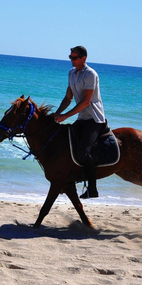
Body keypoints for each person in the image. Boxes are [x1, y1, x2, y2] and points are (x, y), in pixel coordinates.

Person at [53, 46, 108, 199]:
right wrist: (58, 112)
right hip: (81, 119)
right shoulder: (71, 73)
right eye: (70, 57)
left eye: (74, 57)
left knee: (84, 152)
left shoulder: (90, 74)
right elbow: (68, 97)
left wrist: (65, 116)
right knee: (65, 145)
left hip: (94, 119)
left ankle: (92, 189)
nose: (71, 60)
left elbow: (85, 102)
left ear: (83, 58)